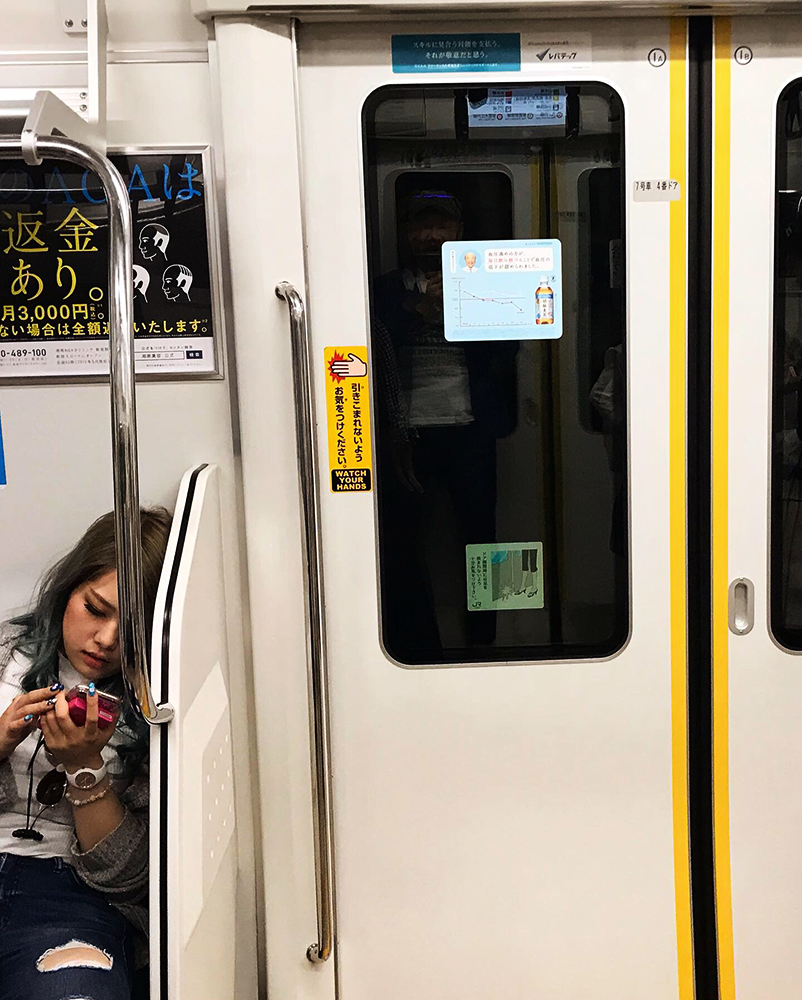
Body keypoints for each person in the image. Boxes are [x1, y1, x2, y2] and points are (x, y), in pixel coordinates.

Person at [0, 507, 172, 1000]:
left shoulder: (156, 704)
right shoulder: (7, 652)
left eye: (133, 626)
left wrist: (84, 770)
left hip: (69, 900)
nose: (107, 640)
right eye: (96, 609)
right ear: (67, 590)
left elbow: (130, 879)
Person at [372, 190, 517, 655]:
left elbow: (509, 348)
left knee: (483, 539)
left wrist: (458, 306)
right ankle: (416, 646)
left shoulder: (483, 283)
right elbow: (370, 343)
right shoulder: (384, 290)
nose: (430, 235)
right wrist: (419, 311)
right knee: (401, 543)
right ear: (405, 233)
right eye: (421, 225)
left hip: (471, 430)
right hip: (406, 435)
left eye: (441, 226)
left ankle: (486, 642)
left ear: (459, 232)